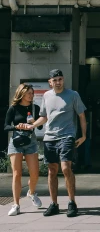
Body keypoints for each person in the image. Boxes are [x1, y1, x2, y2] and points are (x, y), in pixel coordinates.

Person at [25, 69, 87, 218]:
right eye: (55, 80)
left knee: (66, 168)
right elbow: (44, 117)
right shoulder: (46, 96)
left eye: (60, 79)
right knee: (52, 170)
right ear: (50, 82)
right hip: (50, 138)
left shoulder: (73, 95)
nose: (58, 82)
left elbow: (81, 115)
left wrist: (84, 136)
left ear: (63, 80)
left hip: (67, 136)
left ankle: (72, 202)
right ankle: (54, 204)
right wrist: (32, 126)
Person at [4, 83, 43, 216]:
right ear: (22, 94)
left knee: (35, 173)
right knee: (17, 173)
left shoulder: (35, 108)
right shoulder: (13, 108)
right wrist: (17, 127)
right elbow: (6, 126)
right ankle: (16, 205)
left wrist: (33, 123)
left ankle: (31, 193)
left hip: (30, 142)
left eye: (32, 93)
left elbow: (39, 128)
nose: (31, 96)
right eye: (29, 93)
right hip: (16, 142)